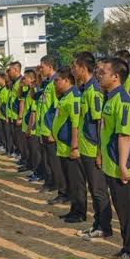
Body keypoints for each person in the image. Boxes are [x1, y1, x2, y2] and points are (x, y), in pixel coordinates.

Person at [98, 57, 130, 259]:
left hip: (122, 165)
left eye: (104, 72)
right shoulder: (110, 97)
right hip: (112, 162)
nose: (100, 75)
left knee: (128, 211)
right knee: (121, 210)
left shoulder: (123, 101)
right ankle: (127, 246)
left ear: (115, 77)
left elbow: (124, 136)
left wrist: (123, 166)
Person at [72, 52, 112, 239]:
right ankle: (97, 223)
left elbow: (98, 123)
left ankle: (104, 226)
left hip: (93, 148)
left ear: (82, 67)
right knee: (93, 188)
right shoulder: (85, 89)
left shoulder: (94, 91)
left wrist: (98, 151)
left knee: (98, 189)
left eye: (75, 66)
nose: (73, 70)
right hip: (86, 147)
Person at [51, 68, 85, 221]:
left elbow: (75, 125)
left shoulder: (74, 97)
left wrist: (74, 147)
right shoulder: (65, 96)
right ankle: (74, 209)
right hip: (63, 147)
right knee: (70, 180)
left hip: (70, 148)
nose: (55, 83)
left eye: (57, 80)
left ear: (66, 80)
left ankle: (80, 213)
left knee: (77, 182)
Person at [38, 55, 59, 194]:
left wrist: (53, 131)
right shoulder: (47, 83)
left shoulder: (55, 83)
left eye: (42, 66)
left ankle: (58, 185)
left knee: (54, 160)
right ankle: (50, 182)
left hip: (50, 128)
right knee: (47, 159)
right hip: (43, 128)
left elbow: (57, 109)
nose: (40, 69)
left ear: (50, 67)